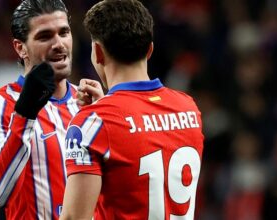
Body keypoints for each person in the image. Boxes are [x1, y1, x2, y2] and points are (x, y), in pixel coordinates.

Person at [60, 0, 204, 219]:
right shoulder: (189, 109)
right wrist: (105, 109)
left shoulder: (93, 123)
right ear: (150, 50)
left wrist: (98, 117)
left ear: (98, 52)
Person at [0, 0, 103, 219]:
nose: (59, 44)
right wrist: (25, 114)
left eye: (64, 33)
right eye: (45, 36)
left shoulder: (92, 102)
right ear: (20, 47)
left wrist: (107, 119)